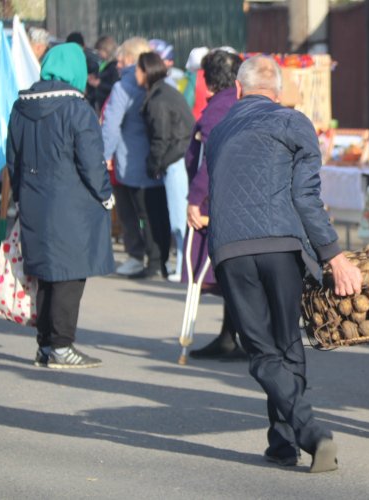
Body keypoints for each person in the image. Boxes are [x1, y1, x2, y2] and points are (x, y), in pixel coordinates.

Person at [207, 55, 362, 472]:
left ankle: (286, 440)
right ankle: (306, 433)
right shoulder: (294, 122)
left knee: (261, 351)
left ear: (238, 91)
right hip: (281, 246)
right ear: (278, 92)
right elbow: (306, 196)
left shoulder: (218, 132)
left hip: (231, 249)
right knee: (287, 342)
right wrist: (334, 255)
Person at [6, 43, 115, 369]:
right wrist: (106, 196)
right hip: (73, 205)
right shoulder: (77, 108)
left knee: (45, 276)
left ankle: (45, 345)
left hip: (34, 201)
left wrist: (21, 197)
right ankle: (62, 346)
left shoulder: (21, 106)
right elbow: (91, 161)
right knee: (70, 276)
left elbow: (14, 159)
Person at [182, 49, 246, 360]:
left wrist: (197, 198)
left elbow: (211, 159)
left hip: (220, 200)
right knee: (231, 270)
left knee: (228, 269)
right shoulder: (236, 103)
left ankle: (240, 338)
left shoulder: (221, 108)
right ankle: (228, 336)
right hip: (238, 198)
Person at [102, 37, 166, 278]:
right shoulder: (157, 83)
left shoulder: (123, 87)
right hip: (153, 159)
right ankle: (156, 260)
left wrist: (104, 155)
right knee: (151, 213)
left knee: (132, 213)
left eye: (121, 58)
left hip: (129, 159)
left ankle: (137, 257)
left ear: (131, 59)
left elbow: (111, 126)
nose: (117, 63)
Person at [135, 52, 194, 282]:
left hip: (174, 161)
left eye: (138, 70)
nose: (136, 75)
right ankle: (180, 264)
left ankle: (182, 266)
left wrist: (154, 164)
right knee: (178, 216)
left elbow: (161, 137)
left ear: (146, 71)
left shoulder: (158, 98)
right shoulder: (165, 92)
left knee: (179, 219)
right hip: (177, 158)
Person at [88, 35, 120, 116]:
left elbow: (114, 86)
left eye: (100, 51)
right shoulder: (104, 64)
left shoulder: (114, 66)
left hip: (108, 105)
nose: (98, 54)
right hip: (100, 104)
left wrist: (99, 84)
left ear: (107, 50)